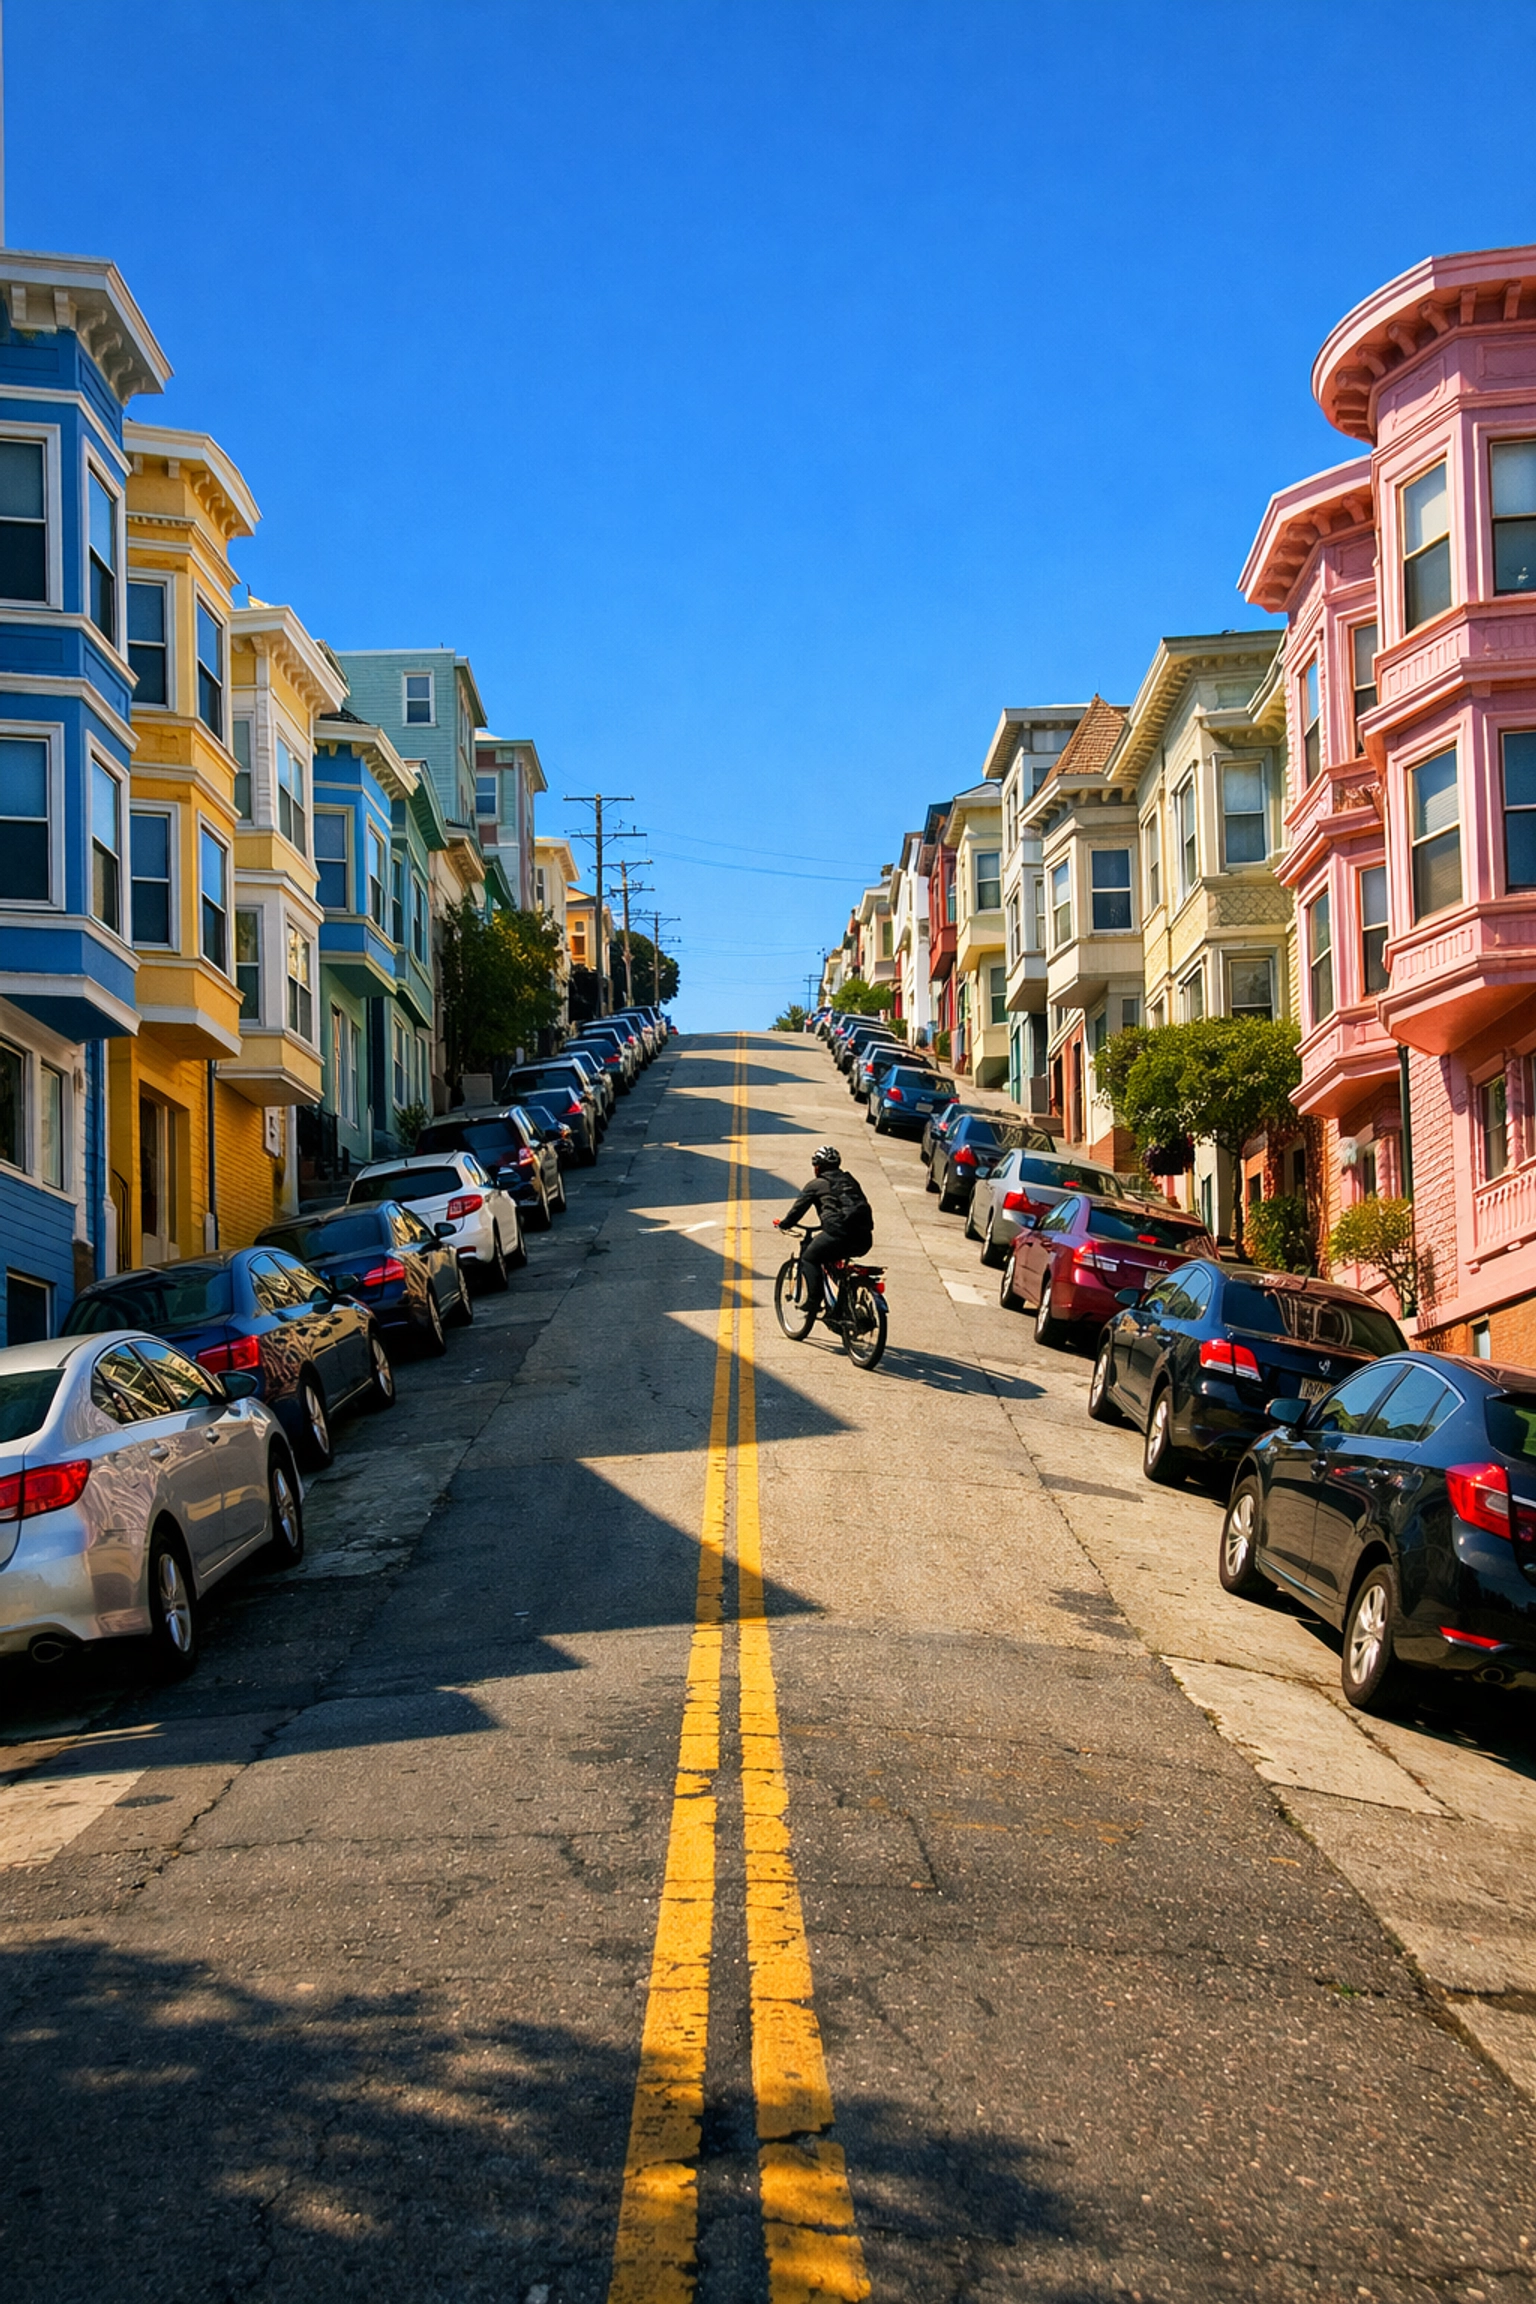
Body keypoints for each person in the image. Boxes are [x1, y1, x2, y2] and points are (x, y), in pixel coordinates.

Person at [774, 1146, 873, 1322]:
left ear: (818, 1167)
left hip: (838, 1235)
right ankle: (841, 1308)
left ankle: (813, 1301)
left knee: (810, 1258)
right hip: (864, 1237)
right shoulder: (850, 1180)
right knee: (838, 1263)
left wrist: (783, 1224)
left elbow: (797, 1212)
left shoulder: (816, 1185)